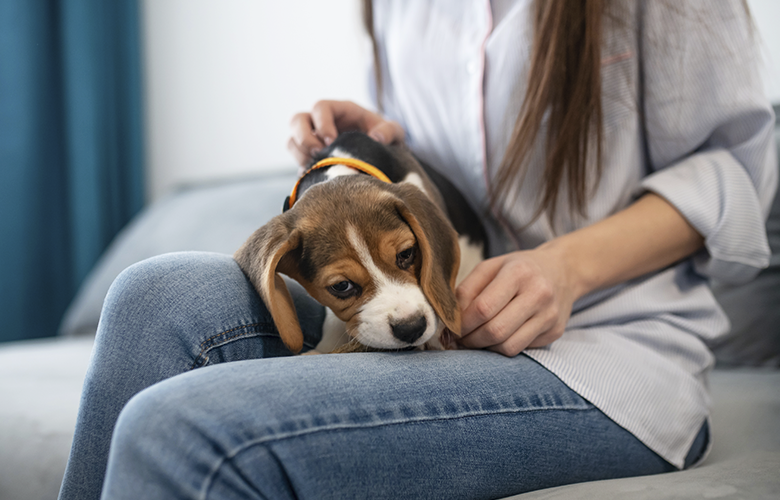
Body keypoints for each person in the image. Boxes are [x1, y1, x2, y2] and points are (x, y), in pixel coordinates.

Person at [59, 1, 776, 499]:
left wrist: (566, 266)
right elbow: (441, 182)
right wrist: (376, 142)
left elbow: (737, 171)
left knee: (175, 429)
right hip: (447, 303)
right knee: (152, 297)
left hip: (606, 350)